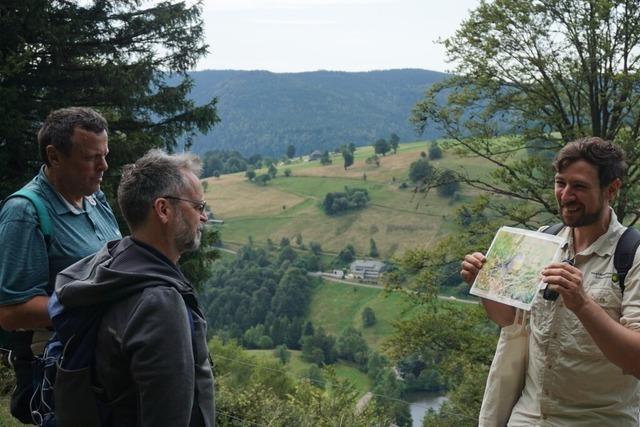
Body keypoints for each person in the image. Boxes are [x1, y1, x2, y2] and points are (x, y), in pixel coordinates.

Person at [461, 137, 640, 426]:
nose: (566, 195)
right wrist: (485, 286)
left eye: (579, 186)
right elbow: (510, 321)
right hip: (527, 418)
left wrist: (582, 304)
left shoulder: (633, 257)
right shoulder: (544, 238)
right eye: (560, 183)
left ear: (612, 189)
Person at [53, 149, 215, 426]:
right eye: (198, 207)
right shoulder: (160, 302)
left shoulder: (105, 265)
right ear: (163, 210)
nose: (204, 218)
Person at [0, 107, 121, 423]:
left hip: (100, 363)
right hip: (61, 372)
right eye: (91, 157)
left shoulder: (95, 199)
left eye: (105, 154)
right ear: (54, 157)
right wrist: (91, 305)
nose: (103, 166)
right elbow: (11, 312)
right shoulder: (24, 212)